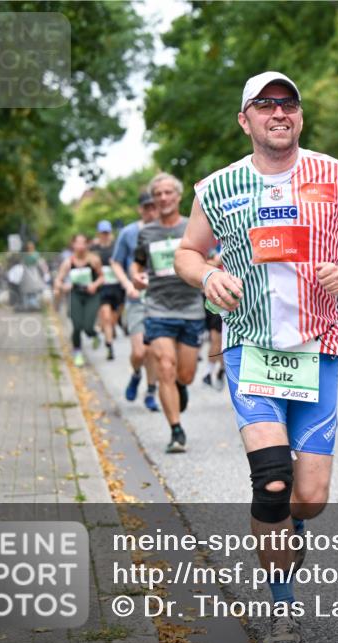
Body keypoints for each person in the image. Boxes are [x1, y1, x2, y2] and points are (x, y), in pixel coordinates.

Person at [174, 71, 338, 643]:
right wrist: (208, 276)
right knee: (272, 481)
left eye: (288, 103)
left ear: (299, 116)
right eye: (265, 105)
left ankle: (289, 527)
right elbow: (187, 251)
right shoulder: (218, 186)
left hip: (317, 350)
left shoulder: (335, 175)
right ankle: (282, 608)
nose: (278, 112)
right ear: (245, 120)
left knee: (309, 497)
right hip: (251, 349)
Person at [131, 173, 205, 453]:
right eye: (158, 194)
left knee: (185, 374)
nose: (163, 198)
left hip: (191, 309)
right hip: (157, 307)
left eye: (167, 193)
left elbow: (209, 257)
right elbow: (137, 264)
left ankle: (180, 385)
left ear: (178, 196)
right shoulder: (146, 233)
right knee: (164, 365)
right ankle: (176, 430)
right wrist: (136, 277)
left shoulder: (193, 227)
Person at [111, 192, 160, 411]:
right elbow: (115, 262)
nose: (151, 211)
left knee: (153, 351)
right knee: (140, 352)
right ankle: (136, 374)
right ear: (140, 209)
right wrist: (127, 284)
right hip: (136, 298)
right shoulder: (129, 232)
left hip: (161, 299)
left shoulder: (166, 230)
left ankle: (150, 392)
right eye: (146, 207)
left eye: (154, 206)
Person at [52, 233, 103, 367]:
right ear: (73, 245)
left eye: (83, 243)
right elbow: (58, 280)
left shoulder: (94, 260)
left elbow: (102, 277)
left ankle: (94, 335)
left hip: (92, 296)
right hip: (75, 295)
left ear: (87, 245)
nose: (80, 246)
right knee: (77, 326)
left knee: (88, 326)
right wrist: (62, 287)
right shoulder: (68, 262)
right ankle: (77, 352)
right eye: (77, 243)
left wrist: (95, 285)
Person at [91, 219, 123, 361]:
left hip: (117, 287)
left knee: (113, 319)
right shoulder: (93, 249)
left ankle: (106, 328)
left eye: (107, 232)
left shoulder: (117, 246)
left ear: (110, 233)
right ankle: (109, 346)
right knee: (106, 316)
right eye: (102, 233)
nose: (105, 235)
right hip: (102, 287)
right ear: (99, 233)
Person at [201, 245, 225, 390]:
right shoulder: (210, 240)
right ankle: (210, 372)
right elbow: (204, 264)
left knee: (222, 340)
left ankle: (218, 370)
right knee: (216, 339)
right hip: (214, 297)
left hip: (234, 296)